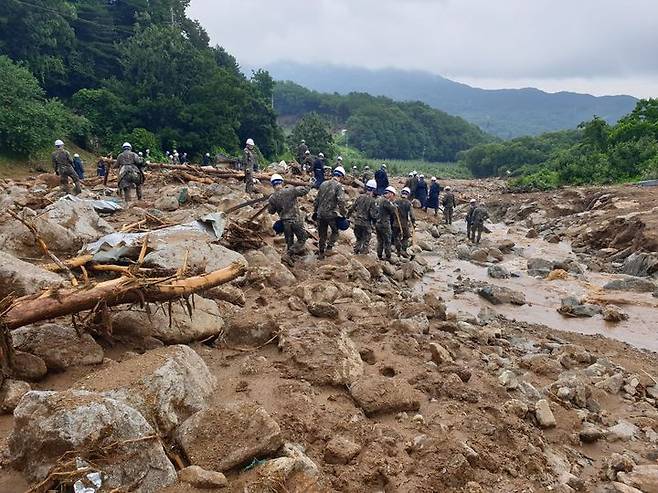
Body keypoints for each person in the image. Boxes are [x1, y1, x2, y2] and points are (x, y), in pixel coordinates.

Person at [268, 174, 311, 261]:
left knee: (289, 241)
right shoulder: (290, 191)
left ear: (273, 185)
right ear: (282, 183)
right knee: (303, 238)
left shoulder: (272, 198)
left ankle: (289, 258)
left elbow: (271, 211)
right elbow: (304, 191)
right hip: (296, 220)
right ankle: (289, 254)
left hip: (285, 222)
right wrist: (310, 184)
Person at [313, 166, 347, 259]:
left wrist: (315, 211)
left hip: (320, 214)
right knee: (335, 232)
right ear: (342, 177)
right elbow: (341, 201)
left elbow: (317, 200)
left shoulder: (323, 184)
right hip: (330, 215)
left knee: (322, 234)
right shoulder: (338, 186)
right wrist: (344, 214)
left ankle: (321, 253)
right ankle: (329, 248)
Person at [347, 179, 378, 254]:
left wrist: (347, 216)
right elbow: (372, 215)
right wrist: (375, 222)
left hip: (357, 222)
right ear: (374, 189)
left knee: (358, 240)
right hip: (366, 224)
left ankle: (355, 254)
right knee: (365, 242)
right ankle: (363, 257)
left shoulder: (360, 197)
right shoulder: (373, 201)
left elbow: (351, 208)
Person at [375, 186, 398, 262]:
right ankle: (388, 256)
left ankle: (379, 255)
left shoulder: (378, 199)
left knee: (380, 240)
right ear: (390, 194)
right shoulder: (386, 201)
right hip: (384, 224)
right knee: (387, 240)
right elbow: (393, 210)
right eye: (393, 196)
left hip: (377, 223)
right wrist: (394, 204)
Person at [393, 187, 416, 258]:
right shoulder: (408, 203)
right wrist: (413, 223)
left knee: (396, 237)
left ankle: (398, 250)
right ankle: (403, 250)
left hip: (395, 223)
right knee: (406, 236)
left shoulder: (395, 202)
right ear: (408, 194)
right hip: (404, 224)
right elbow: (412, 216)